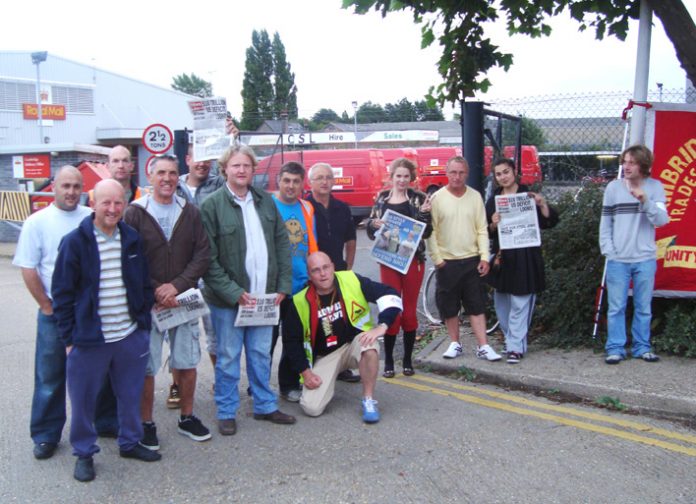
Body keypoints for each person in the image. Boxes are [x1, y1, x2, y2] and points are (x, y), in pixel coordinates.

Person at [52, 180, 160, 483]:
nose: (112, 209)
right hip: (90, 340)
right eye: (106, 203)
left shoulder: (132, 239)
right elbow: (62, 294)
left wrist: (142, 326)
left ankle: (129, 442)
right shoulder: (75, 242)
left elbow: (142, 283)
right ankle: (84, 453)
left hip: (128, 335)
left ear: (125, 203)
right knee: (84, 401)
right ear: (93, 202)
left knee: (129, 396)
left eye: (118, 203)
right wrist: (70, 339)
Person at [200, 145, 295, 436]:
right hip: (229, 300)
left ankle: (265, 405)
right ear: (224, 169)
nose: (241, 170)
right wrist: (233, 292)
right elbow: (208, 258)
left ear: (254, 170)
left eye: (247, 166)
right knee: (228, 356)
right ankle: (226, 410)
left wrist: (281, 287)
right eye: (235, 165)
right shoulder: (212, 205)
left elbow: (281, 244)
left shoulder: (265, 202)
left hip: (264, 297)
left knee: (260, 353)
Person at [124, 155, 211, 449]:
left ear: (178, 177)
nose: (167, 178)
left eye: (173, 173)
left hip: (183, 300)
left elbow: (202, 254)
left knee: (187, 362)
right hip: (148, 305)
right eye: (161, 172)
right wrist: (156, 291)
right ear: (151, 176)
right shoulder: (135, 213)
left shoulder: (190, 212)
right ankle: (145, 423)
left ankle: (187, 417)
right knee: (145, 367)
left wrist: (175, 287)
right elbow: (128, 259)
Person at [13, 166, 93, 460]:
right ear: (54, 188)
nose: (71, 192)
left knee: (96, 373)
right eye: (65, 186)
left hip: (88, 313)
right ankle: (46, 434)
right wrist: (47, 306)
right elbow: (28, 267)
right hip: (55, 313)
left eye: (76, 186)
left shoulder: (90, 218)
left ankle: (104, 422)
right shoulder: (37, 222)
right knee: (50, 376)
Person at [282, 252, 402, 423]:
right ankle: (328, 378)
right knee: (312, 408)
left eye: (326, 267)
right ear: (309, 275)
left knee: (369, 346)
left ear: (332, 266)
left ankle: (368, 400)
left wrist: (382, 326)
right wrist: (306, 373)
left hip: (353, 344)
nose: (323, 274)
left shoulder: (351, 280)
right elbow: (291, 342)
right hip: (325, 355)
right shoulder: (299, 301)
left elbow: (390, 294)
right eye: (316, 270)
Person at [427, 156, 502, 361]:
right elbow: (430, 232)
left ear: (466, 174)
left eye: (461, 172)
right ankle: (455, 343)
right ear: (446, 172)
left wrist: (485, 257)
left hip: (472, 259)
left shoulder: (475, 197)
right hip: (447, 262)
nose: (457, 177)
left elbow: (481, 229)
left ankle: (483, 346)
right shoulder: (437, 198)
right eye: (453, 172)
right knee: (449, 306)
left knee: (476, 304)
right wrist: (437, 258)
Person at [599, 145, 669, 364]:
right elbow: (606, 223)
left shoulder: (655, 187)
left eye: (631, 162)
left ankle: (642, 347)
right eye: (624, 161)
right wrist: (608, 250)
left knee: (643, 306)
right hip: (618, 259)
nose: (626, 166)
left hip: (645, 258)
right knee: (616, 306)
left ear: (643, 165)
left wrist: (645, 201)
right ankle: (615, 348)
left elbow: (662, 221)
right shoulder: (613, 188)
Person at [486, 158, 558, 364]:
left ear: (515, 172)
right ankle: (512, 340)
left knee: (521, 303)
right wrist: (492, 224)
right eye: (498, 174)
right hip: (502, 257)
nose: (503, 177)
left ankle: (516, 346)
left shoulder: (529, 195)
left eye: (506, 172)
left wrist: (542, 204)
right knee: (502, 305)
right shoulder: (493, 200)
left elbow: (548, 222)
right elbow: (486, 231)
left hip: (526, 255)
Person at [367, 158, 432, 377]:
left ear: (411, 178)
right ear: (392, 177)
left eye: (406, 176)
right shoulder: (382, 198)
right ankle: (388, 362)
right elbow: (370, 227)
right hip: (388, 259)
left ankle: (407, 360)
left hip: (413, 260)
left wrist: (424, 214)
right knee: (391, 307)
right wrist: (372, 225)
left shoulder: (419, 199)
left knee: (409, 311)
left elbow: (427, 231)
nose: (402, 180)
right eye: (398, 176)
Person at [172, 143, 225, 408]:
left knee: (214, 332)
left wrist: (230, 139)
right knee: (178, 330)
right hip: (181, 274)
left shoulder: (219, 184)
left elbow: (238, 168)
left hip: (210, 272)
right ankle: (176, 384)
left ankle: (221, 381)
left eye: (208, 159)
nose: (202, 164)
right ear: (188, 159)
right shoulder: (173, 185)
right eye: (198, 158)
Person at [306, 162, 360, 383]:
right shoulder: (305, 207)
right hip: (312, 274)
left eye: (328, 177)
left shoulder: (342, 208)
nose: (325, 181)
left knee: (339, 320)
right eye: (319, 178)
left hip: (337, 271)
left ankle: (340, 366)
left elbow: (351, 239)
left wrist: (348, 268)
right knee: (313, 321)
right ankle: (312, 365)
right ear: (310, 182)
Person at [271, 161, 319, 403]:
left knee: (294, 338)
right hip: (271, 286)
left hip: (300, 283)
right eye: (286, 180)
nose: (291, 186)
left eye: (296, 181)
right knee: (265, 339)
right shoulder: (266, 205)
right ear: (278, 180)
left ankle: (288, 384)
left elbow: (312, 244)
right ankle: (258, 385)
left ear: (302, 184)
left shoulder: (307, 208)